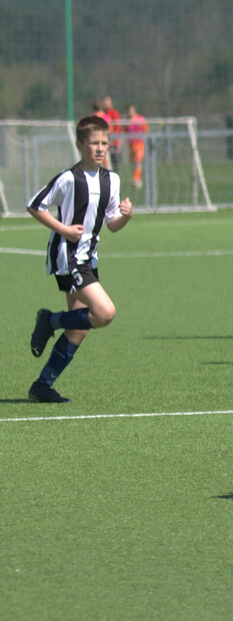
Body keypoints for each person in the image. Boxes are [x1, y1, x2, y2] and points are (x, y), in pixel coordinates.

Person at [26, 115, 133, 403]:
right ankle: (50, 320)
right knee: (105, 313)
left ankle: (42, 385)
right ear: (79, 145)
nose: (100, 148)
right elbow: (35, 205)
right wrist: (63, 229)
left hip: (89, 258)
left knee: (80, 328)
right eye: (93, 143)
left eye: (104, 143)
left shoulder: (113, 180)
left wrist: (125, 216)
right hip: (67, 256)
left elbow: (111, 224)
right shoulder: (68, 178)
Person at [125, 104, 148, 188]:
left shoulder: (140, 119)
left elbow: (145, 129)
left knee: (138, 161)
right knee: (133, 162)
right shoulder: (127, 121)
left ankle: (135, 179)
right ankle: (138, 179)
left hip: (139, 143)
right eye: (129, 110)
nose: (131, 112)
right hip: (131, 144)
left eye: (132, 110)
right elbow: (125, 131)